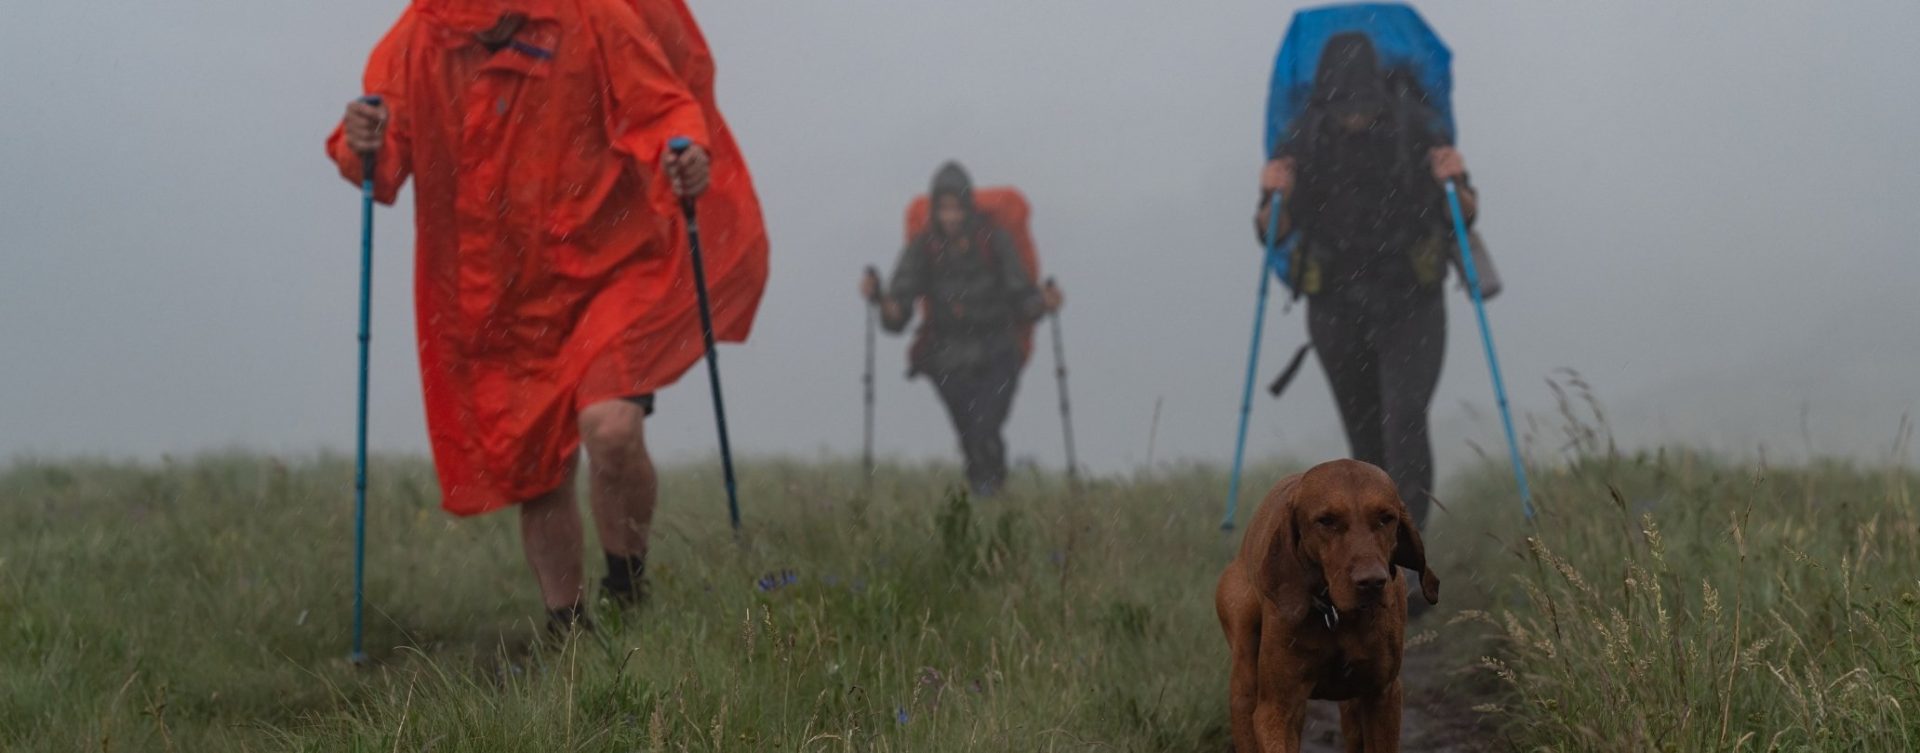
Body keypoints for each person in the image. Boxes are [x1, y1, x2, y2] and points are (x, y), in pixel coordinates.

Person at [325, 0, 766, 633]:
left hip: (610, 268)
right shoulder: (421, 38)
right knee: (537, 474)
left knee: (611, 429)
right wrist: (360, 142)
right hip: (499, 297)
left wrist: (684, 153)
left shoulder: (594, 15)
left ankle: (628, 594)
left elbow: (664, 108)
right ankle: (570, 632)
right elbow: (383, 155)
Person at [1254, 32, 1478, 528]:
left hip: (1412, 301)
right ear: (1326, 101)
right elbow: (1271, 231)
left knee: (1405, 419)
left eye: (1362, 106)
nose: (1354, 116)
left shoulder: (1415, 127)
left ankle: (1407, 551)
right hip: (1336, 307)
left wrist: (1455, 181)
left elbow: (1461, 215)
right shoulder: (1303, 139)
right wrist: (1273, 195)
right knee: (1366, 439)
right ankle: (1376, 553)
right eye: (1344, 107)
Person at [860, 163, 1063, 497]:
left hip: (998, 350)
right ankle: (990, 495)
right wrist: (880, 298)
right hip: (947, 357)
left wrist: (1043, 302)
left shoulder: (994, 241)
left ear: (968, 208)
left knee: (985, 425)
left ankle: (988, 492)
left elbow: (1021, 297)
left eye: (956, 208)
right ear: (935, 210)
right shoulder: (924, 247)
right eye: (943, 209)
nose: (950, 217)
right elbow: (899, 310)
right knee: (971, 432)